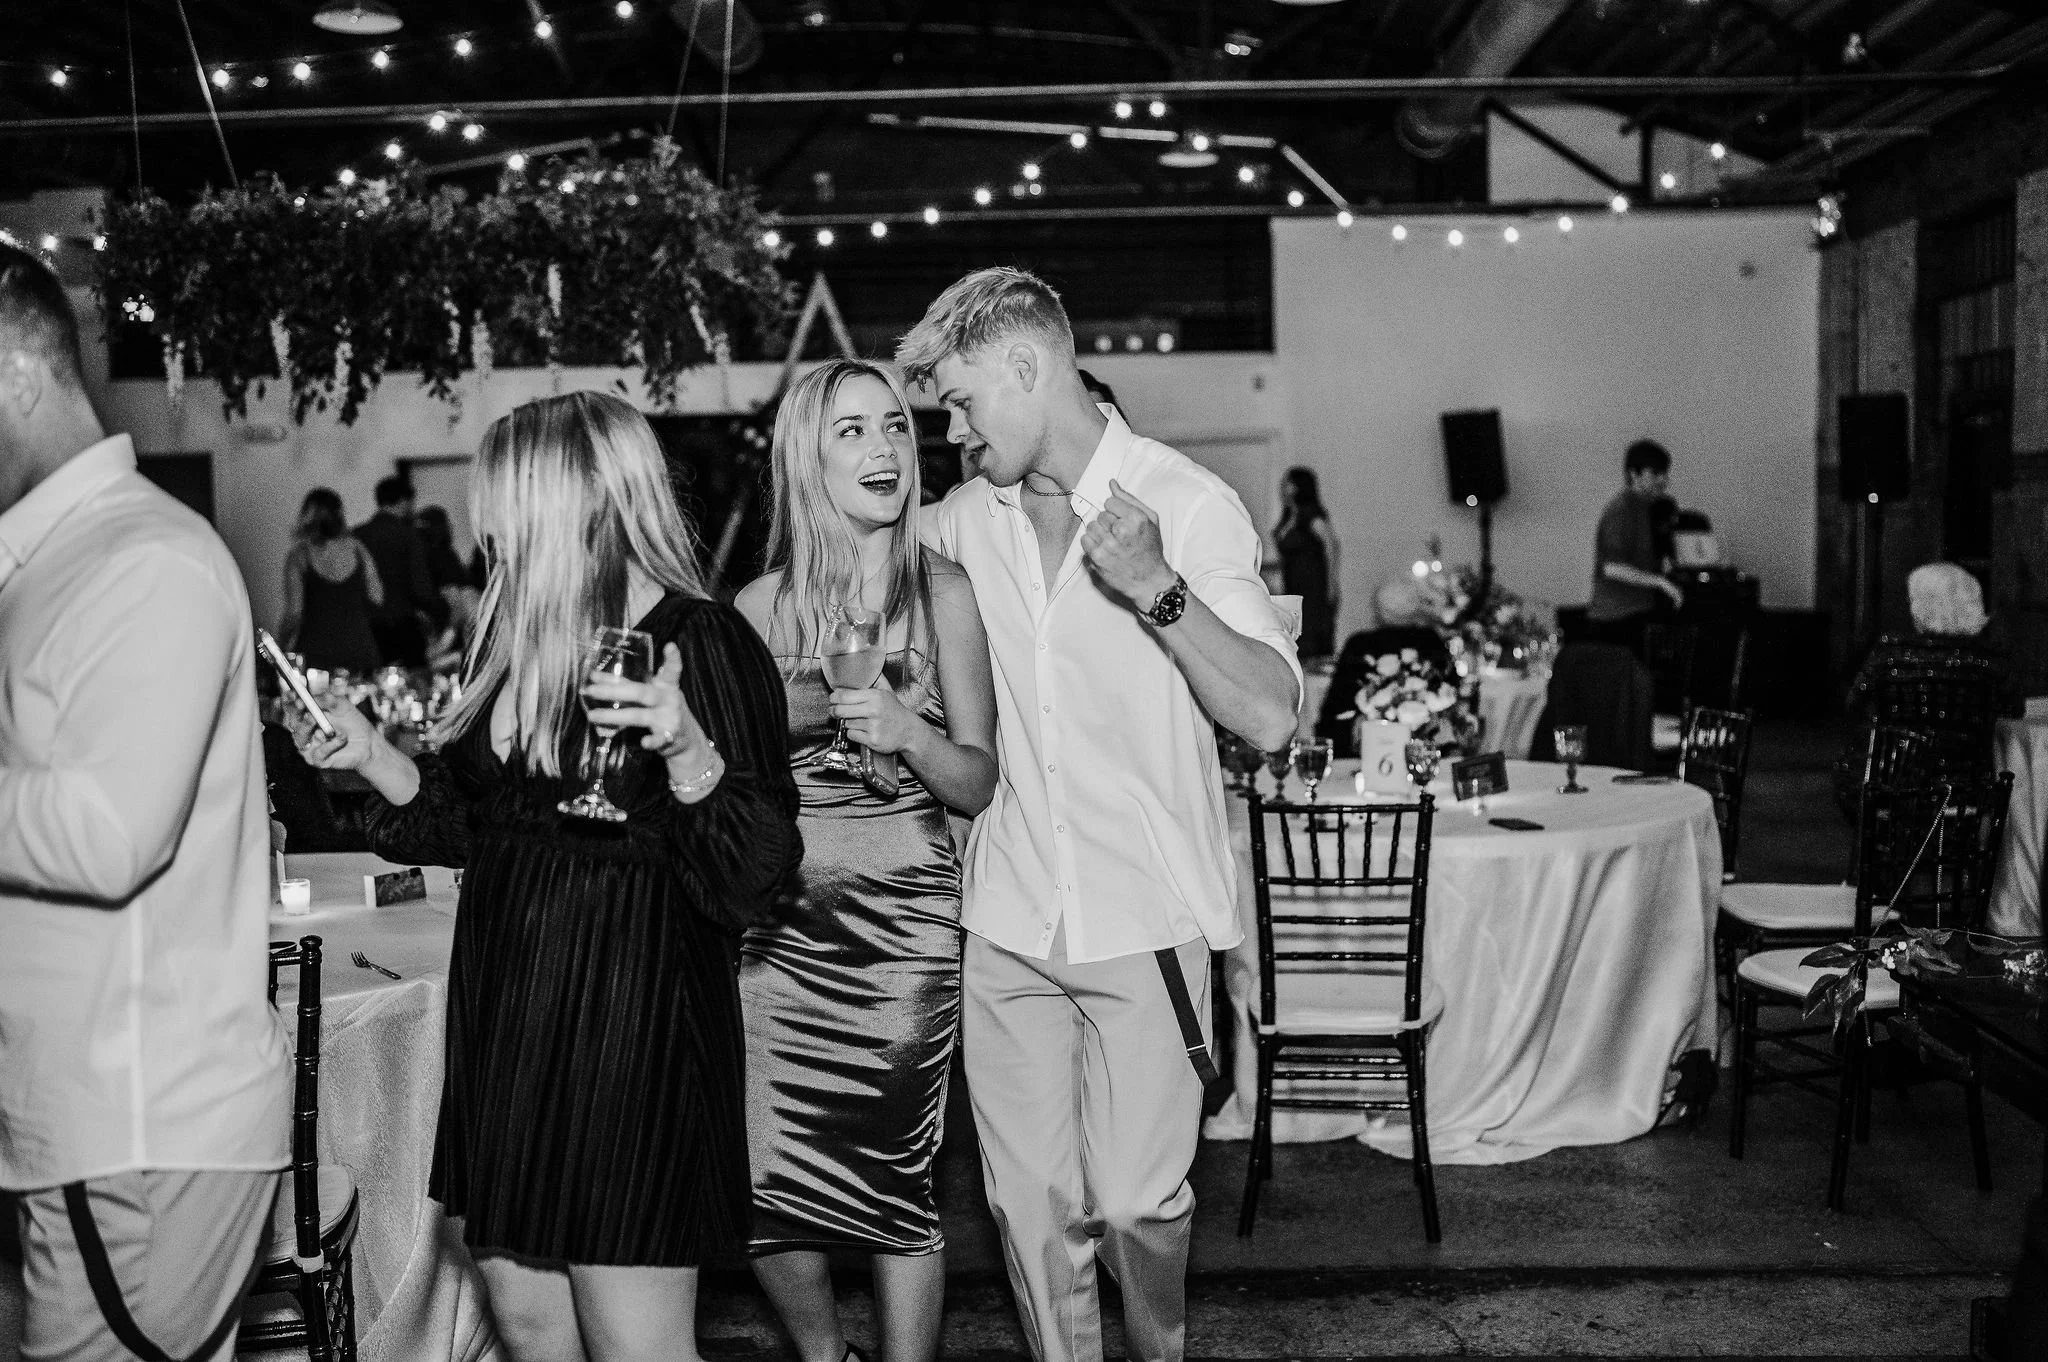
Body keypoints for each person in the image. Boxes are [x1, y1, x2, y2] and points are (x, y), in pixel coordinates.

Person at [288, 391, 802, 1362]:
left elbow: (756, 878)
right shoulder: (520, 642)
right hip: (510, 1038)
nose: (487, 528)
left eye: (505, 503)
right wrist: (369, 754)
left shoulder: (703, 644)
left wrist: (686, 745)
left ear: (580, 503)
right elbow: (476, 824)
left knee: (635, 1348)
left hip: (630, 1042)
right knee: (527, 1332)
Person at [897, 267, 1300, 1362]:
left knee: (1134, 1205)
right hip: (1007, 919)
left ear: (1027, 368)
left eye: (963, 401)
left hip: (1144, 917)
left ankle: (1156, 1352)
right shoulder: (956, 524)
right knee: (1027, 1215)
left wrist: (1158, 588)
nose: (954, 429)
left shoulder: (1185, 500)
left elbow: (1267, 715)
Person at [0, 242, 291, 1362]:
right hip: (96, 1117)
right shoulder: (58, 565)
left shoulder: (142, 562)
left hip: (141, 1121)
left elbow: (114, 835)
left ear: (19, 374)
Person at [733, 360, 999, 1362]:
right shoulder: (758, 610)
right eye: (850, 431)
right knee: (761, 1170)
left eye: (893, 425)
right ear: (806, 453)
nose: (884, 449)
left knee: (896, 1174)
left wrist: (906, 733)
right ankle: (819, 1353)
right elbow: (725, 776)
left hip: (901, 921)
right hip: (776, 921)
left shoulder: (943, 593)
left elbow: (976, 780)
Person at [1586, 439, 1684, 656]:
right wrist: (1659, 582)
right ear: (1634, 474)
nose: (1664, 480)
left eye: (1665, 473)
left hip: (1639, 613)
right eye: (1655, 473)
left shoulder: (1650, 509)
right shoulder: (1621, 510)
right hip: (1616, 620)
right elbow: (1612, 568)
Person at [279, 486, 384, 676]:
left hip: (317, 653)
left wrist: (280, 644)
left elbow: (295, 612)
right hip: (359, 646)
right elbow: (377, 597)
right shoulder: (357, 549)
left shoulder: (299, 556)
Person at [354, 474, 448, 668]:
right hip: (401, 625)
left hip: (366, 628)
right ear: (404, 501)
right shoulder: (408, 536)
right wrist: (442, 611)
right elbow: (420, 588)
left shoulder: (357, 535)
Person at [1273, 466, 1340, 659]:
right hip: (1294, 582)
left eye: (1288, 483)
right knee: (1293, 633)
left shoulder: (1311, 514)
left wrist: (1332, 582)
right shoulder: (1288, 516)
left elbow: (1331, 545)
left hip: (1313, 584)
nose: (1283, 487)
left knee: (1311, 633)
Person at [415, 503, 482, 670]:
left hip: (433, 627)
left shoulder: (418, 557)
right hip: (450, 627)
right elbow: (456, 597)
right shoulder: (444, 556)